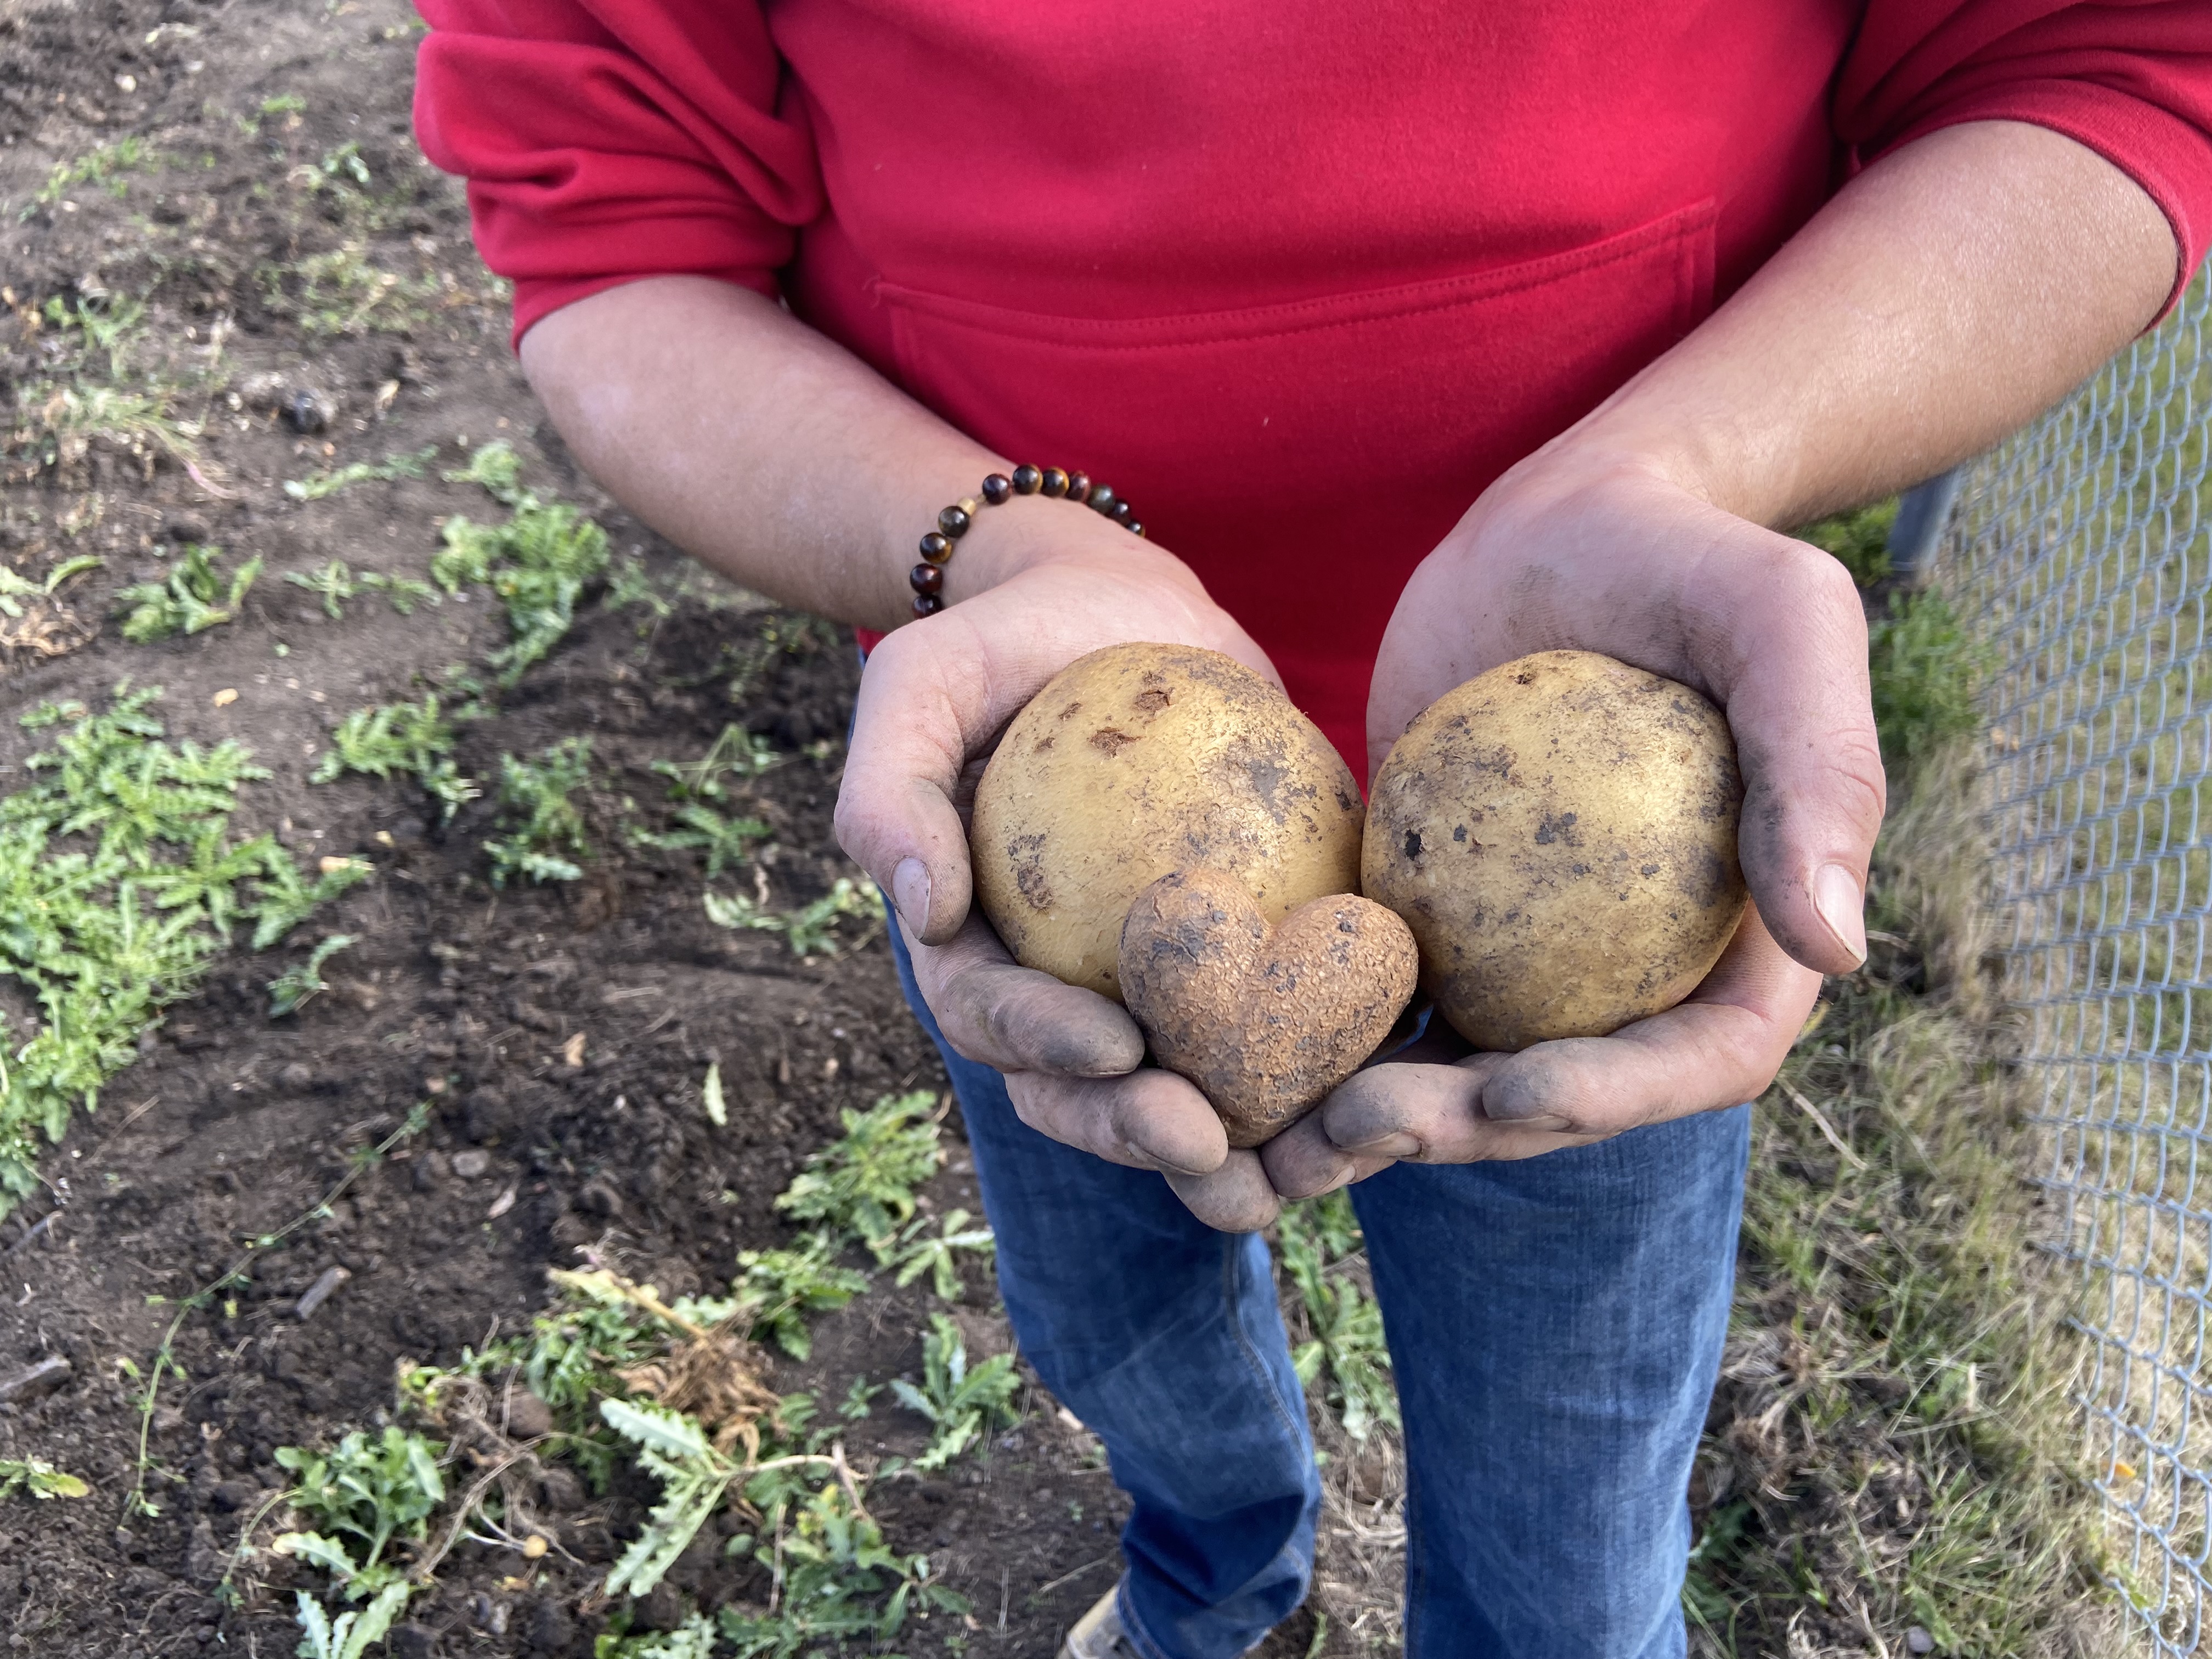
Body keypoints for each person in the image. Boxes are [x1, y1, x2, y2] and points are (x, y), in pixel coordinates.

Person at [414, 5, 2212, 1654]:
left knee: (1569, 1473)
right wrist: (1011, 544)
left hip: (1587, 774)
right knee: (1113, 1318)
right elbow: (613, 234)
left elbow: (2112, 66)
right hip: (1043, 798)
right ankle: (1217, 1581)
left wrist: (1680, 464)